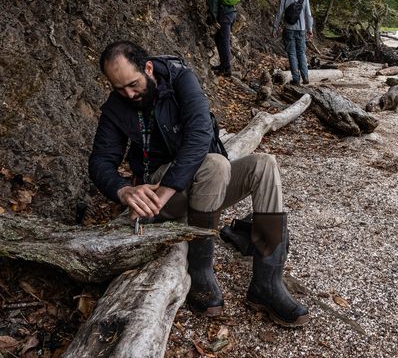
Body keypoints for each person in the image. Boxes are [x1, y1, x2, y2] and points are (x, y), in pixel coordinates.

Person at [88, 41, 310, 327]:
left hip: (190, 188)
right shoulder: (118, 106)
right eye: (118, 88)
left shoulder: (181, 78)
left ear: (148, 68)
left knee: (264, 165)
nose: (128, 94)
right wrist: (124, 190)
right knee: (215, 164)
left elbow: (200, 135)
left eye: (132, 84)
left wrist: (168, 190)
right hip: (159, 196)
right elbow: (100, 162)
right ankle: (201, 268)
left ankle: (267, 283)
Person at [193, 0, 240, 78]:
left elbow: (213, 2)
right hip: (229, 13)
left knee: (224, 40)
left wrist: (214, 20)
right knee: (219, 38)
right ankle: (223, 65)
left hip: (225, 15)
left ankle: (227, 69)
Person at [272, 0, 313, 85]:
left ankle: (296, 79)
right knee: (301, 52)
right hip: (301, 29)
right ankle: (305, 77)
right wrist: (310, 29)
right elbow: (308, 14)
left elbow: (279, 12)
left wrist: (275, 27)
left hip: (289, 29)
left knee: (292, 53)